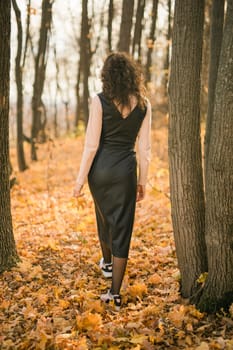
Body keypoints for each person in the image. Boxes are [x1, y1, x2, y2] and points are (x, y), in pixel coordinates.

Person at [73, 52, 151, 310]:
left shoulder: (99, 101)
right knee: (122, 227)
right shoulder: (144, 105)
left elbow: (91, 144)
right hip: (125, 171)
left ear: (107, 76)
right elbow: (145, 149)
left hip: (101, 172)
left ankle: (106, 263)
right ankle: (114, 293)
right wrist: (143, 182)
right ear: (132, 75)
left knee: (104, 216)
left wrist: (80, 179)